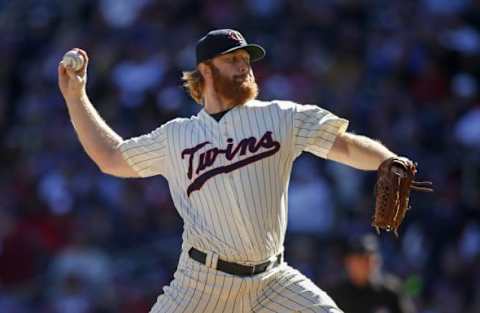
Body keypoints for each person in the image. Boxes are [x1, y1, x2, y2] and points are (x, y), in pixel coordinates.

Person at [58, 28, 414, 313]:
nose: (245, 65)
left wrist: (387, 160)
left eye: (247, 59)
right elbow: (111, 158)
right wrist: (77, 98)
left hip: (273, 280)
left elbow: (345, 144)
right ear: (206, 70)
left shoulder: (279, 117)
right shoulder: (177, 137)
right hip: (201, 284)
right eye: (233, 59)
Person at [328, 235, 415, 313]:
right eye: (360, 259)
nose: (366, 264)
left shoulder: (391, 292)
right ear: (348, 262)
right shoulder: (337, 294)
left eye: (369, 258)